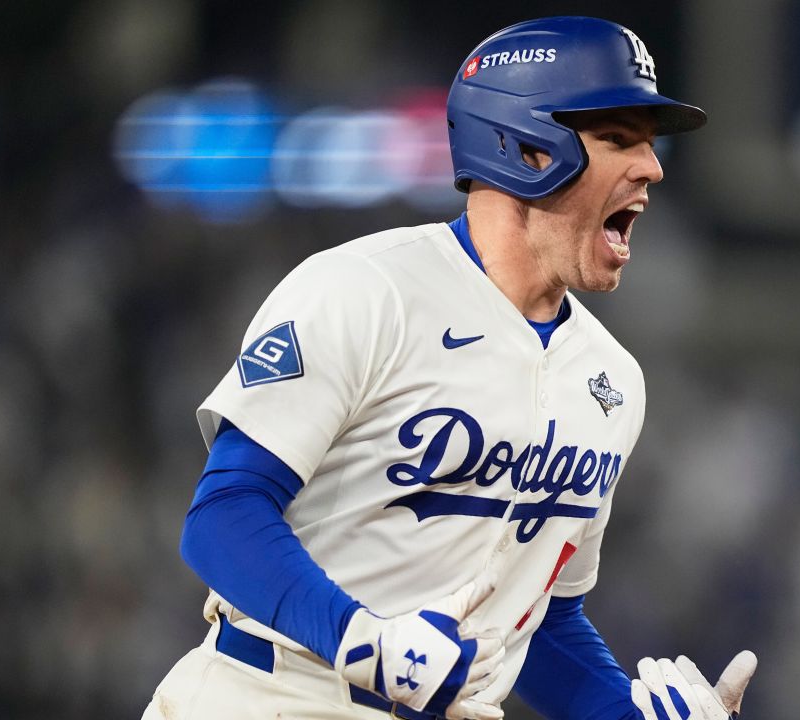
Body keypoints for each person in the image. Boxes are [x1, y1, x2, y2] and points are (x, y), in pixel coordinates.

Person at [142, 16, 755, 720]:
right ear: (526, 148)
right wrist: (362, 641)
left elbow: (539, 621)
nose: (651, 168)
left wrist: (626, 715)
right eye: (619, 140)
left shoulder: (613, 381)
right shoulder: (367, 289)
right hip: (270, 698)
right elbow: (224, 513)